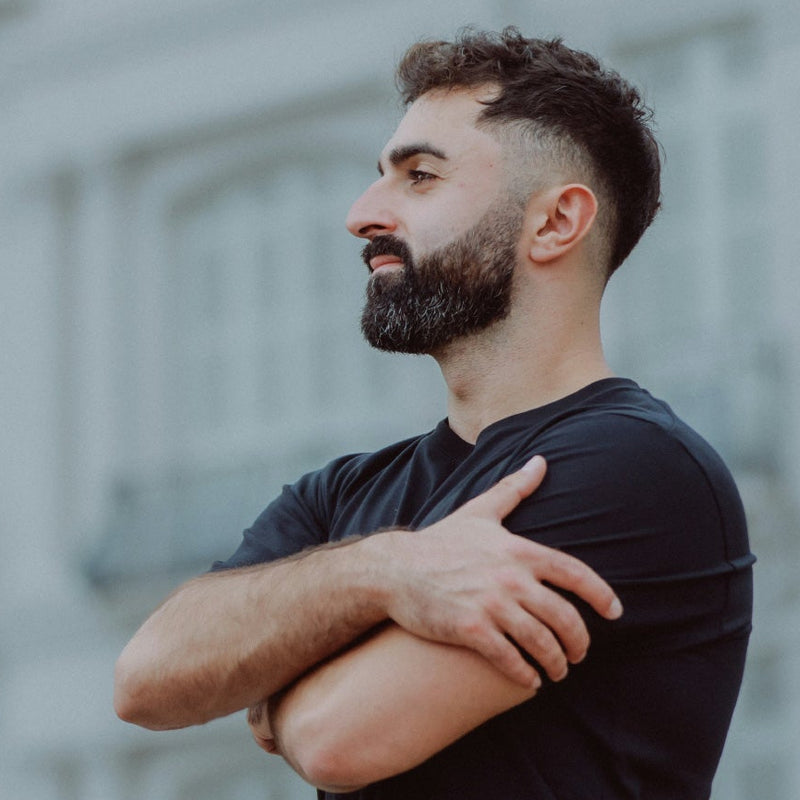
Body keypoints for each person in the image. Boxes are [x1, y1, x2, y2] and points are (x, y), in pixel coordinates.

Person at [114, 28, 754, 800]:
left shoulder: (636, 469)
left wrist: (277, 682)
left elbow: (337, 739)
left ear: (555, 222)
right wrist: (387, 571)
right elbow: (146, 679)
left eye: (420, 176)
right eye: (380, 177)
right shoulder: (341, 495)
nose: (362, 215)